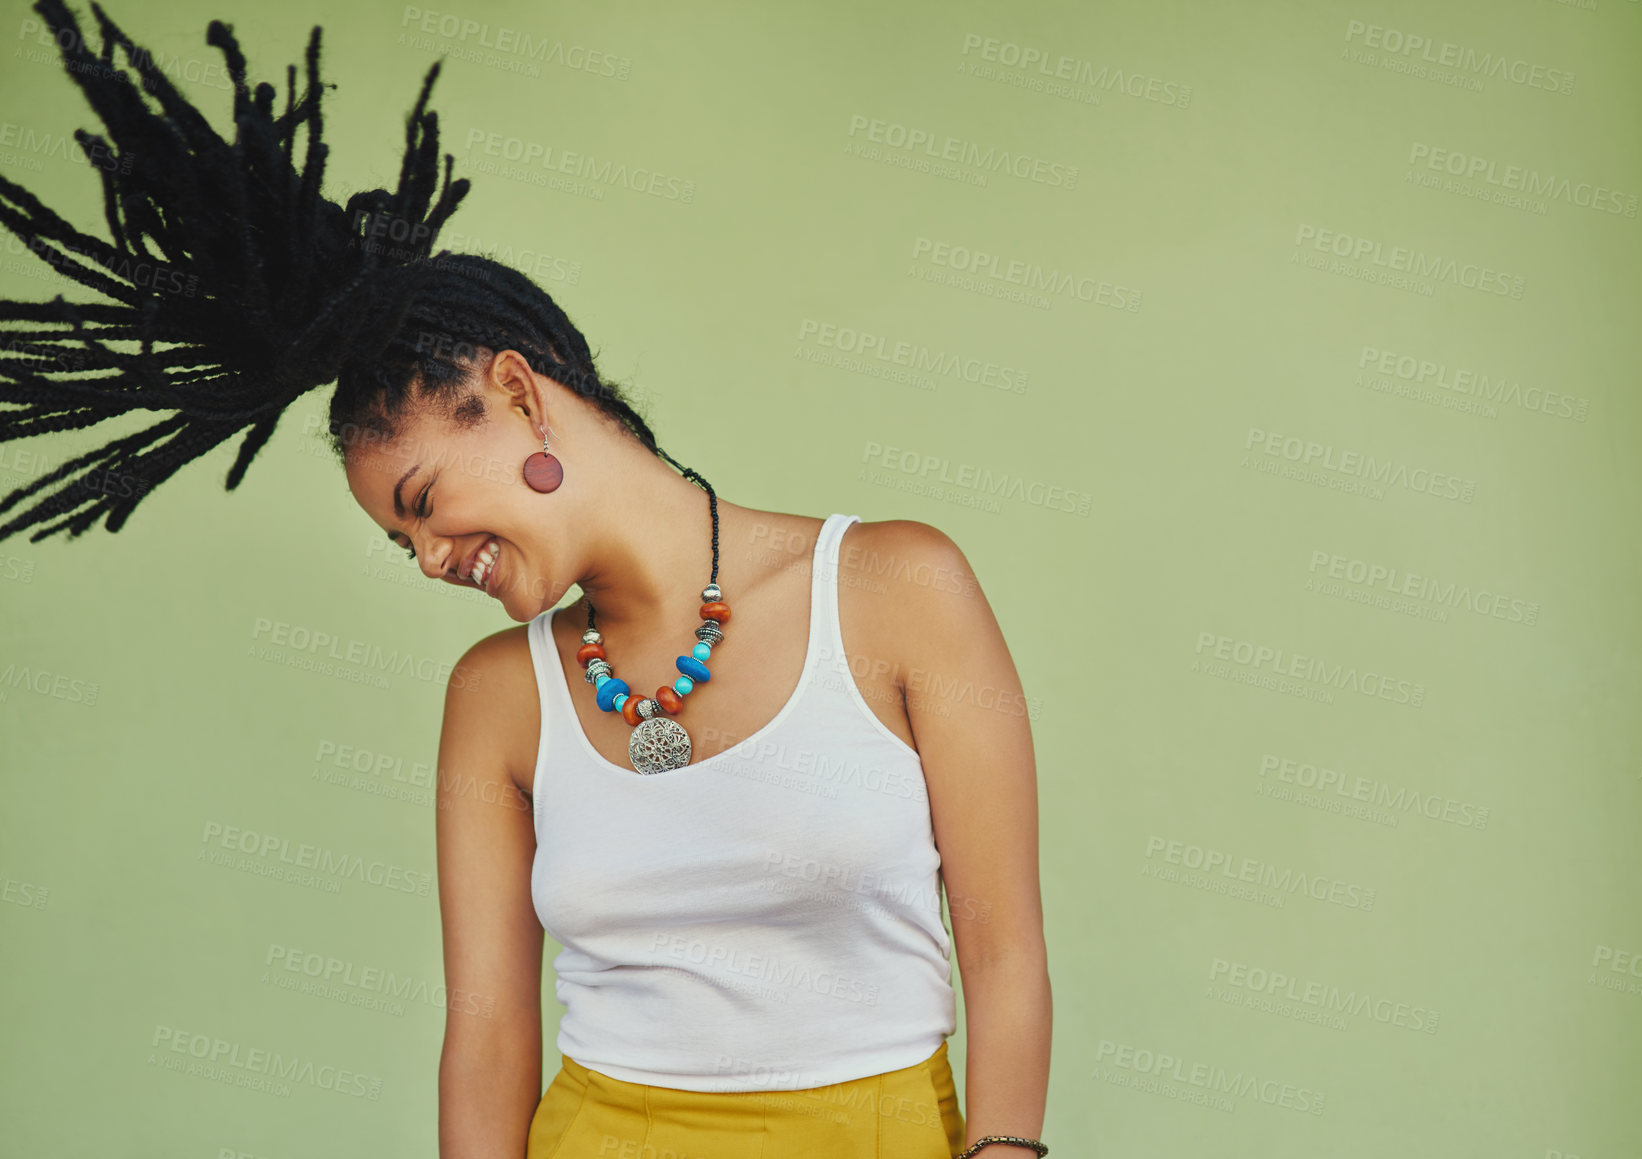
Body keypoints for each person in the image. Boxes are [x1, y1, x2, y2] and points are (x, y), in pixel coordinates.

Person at [0, 4, 1054, 1156]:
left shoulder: (899, 586)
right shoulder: (498, 696)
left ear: (517, 392)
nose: (432, 559)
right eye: (403, 548)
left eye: (423, 506)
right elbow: (490, 1030)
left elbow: (1004, 950)